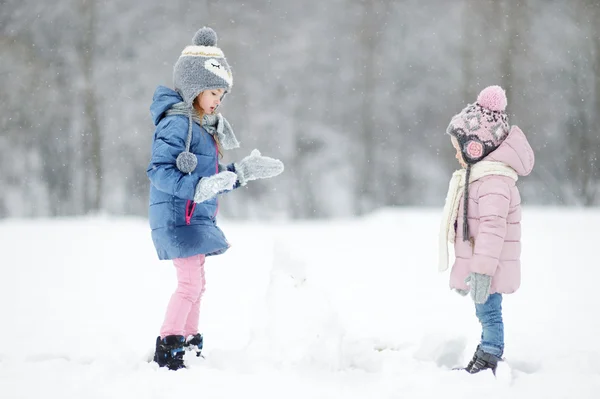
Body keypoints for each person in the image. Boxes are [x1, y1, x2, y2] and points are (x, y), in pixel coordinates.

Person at [147, 27, 284, 370]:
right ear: (193, 88)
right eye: (212, 92)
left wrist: (243, 171)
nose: (218, 101)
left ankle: (190, 342)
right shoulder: (177, 125)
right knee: (189, 284)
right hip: (179, 216)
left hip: (195, 217)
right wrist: (195, 189)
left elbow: (212, 178)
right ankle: (169, 345)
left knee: (198, 284)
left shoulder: (203, 126)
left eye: (222, 94)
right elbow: (159, 171)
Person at [438, 85, 535, 374]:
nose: (456, 154)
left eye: (458, 148)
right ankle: (488, 350)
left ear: (475, 147)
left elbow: (493, 229)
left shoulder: (493, 181)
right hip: (485, 263)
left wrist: (481, 271)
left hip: (490, 266)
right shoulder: (483, 177)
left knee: (489, 312)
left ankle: (490, 354)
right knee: (486, 310)